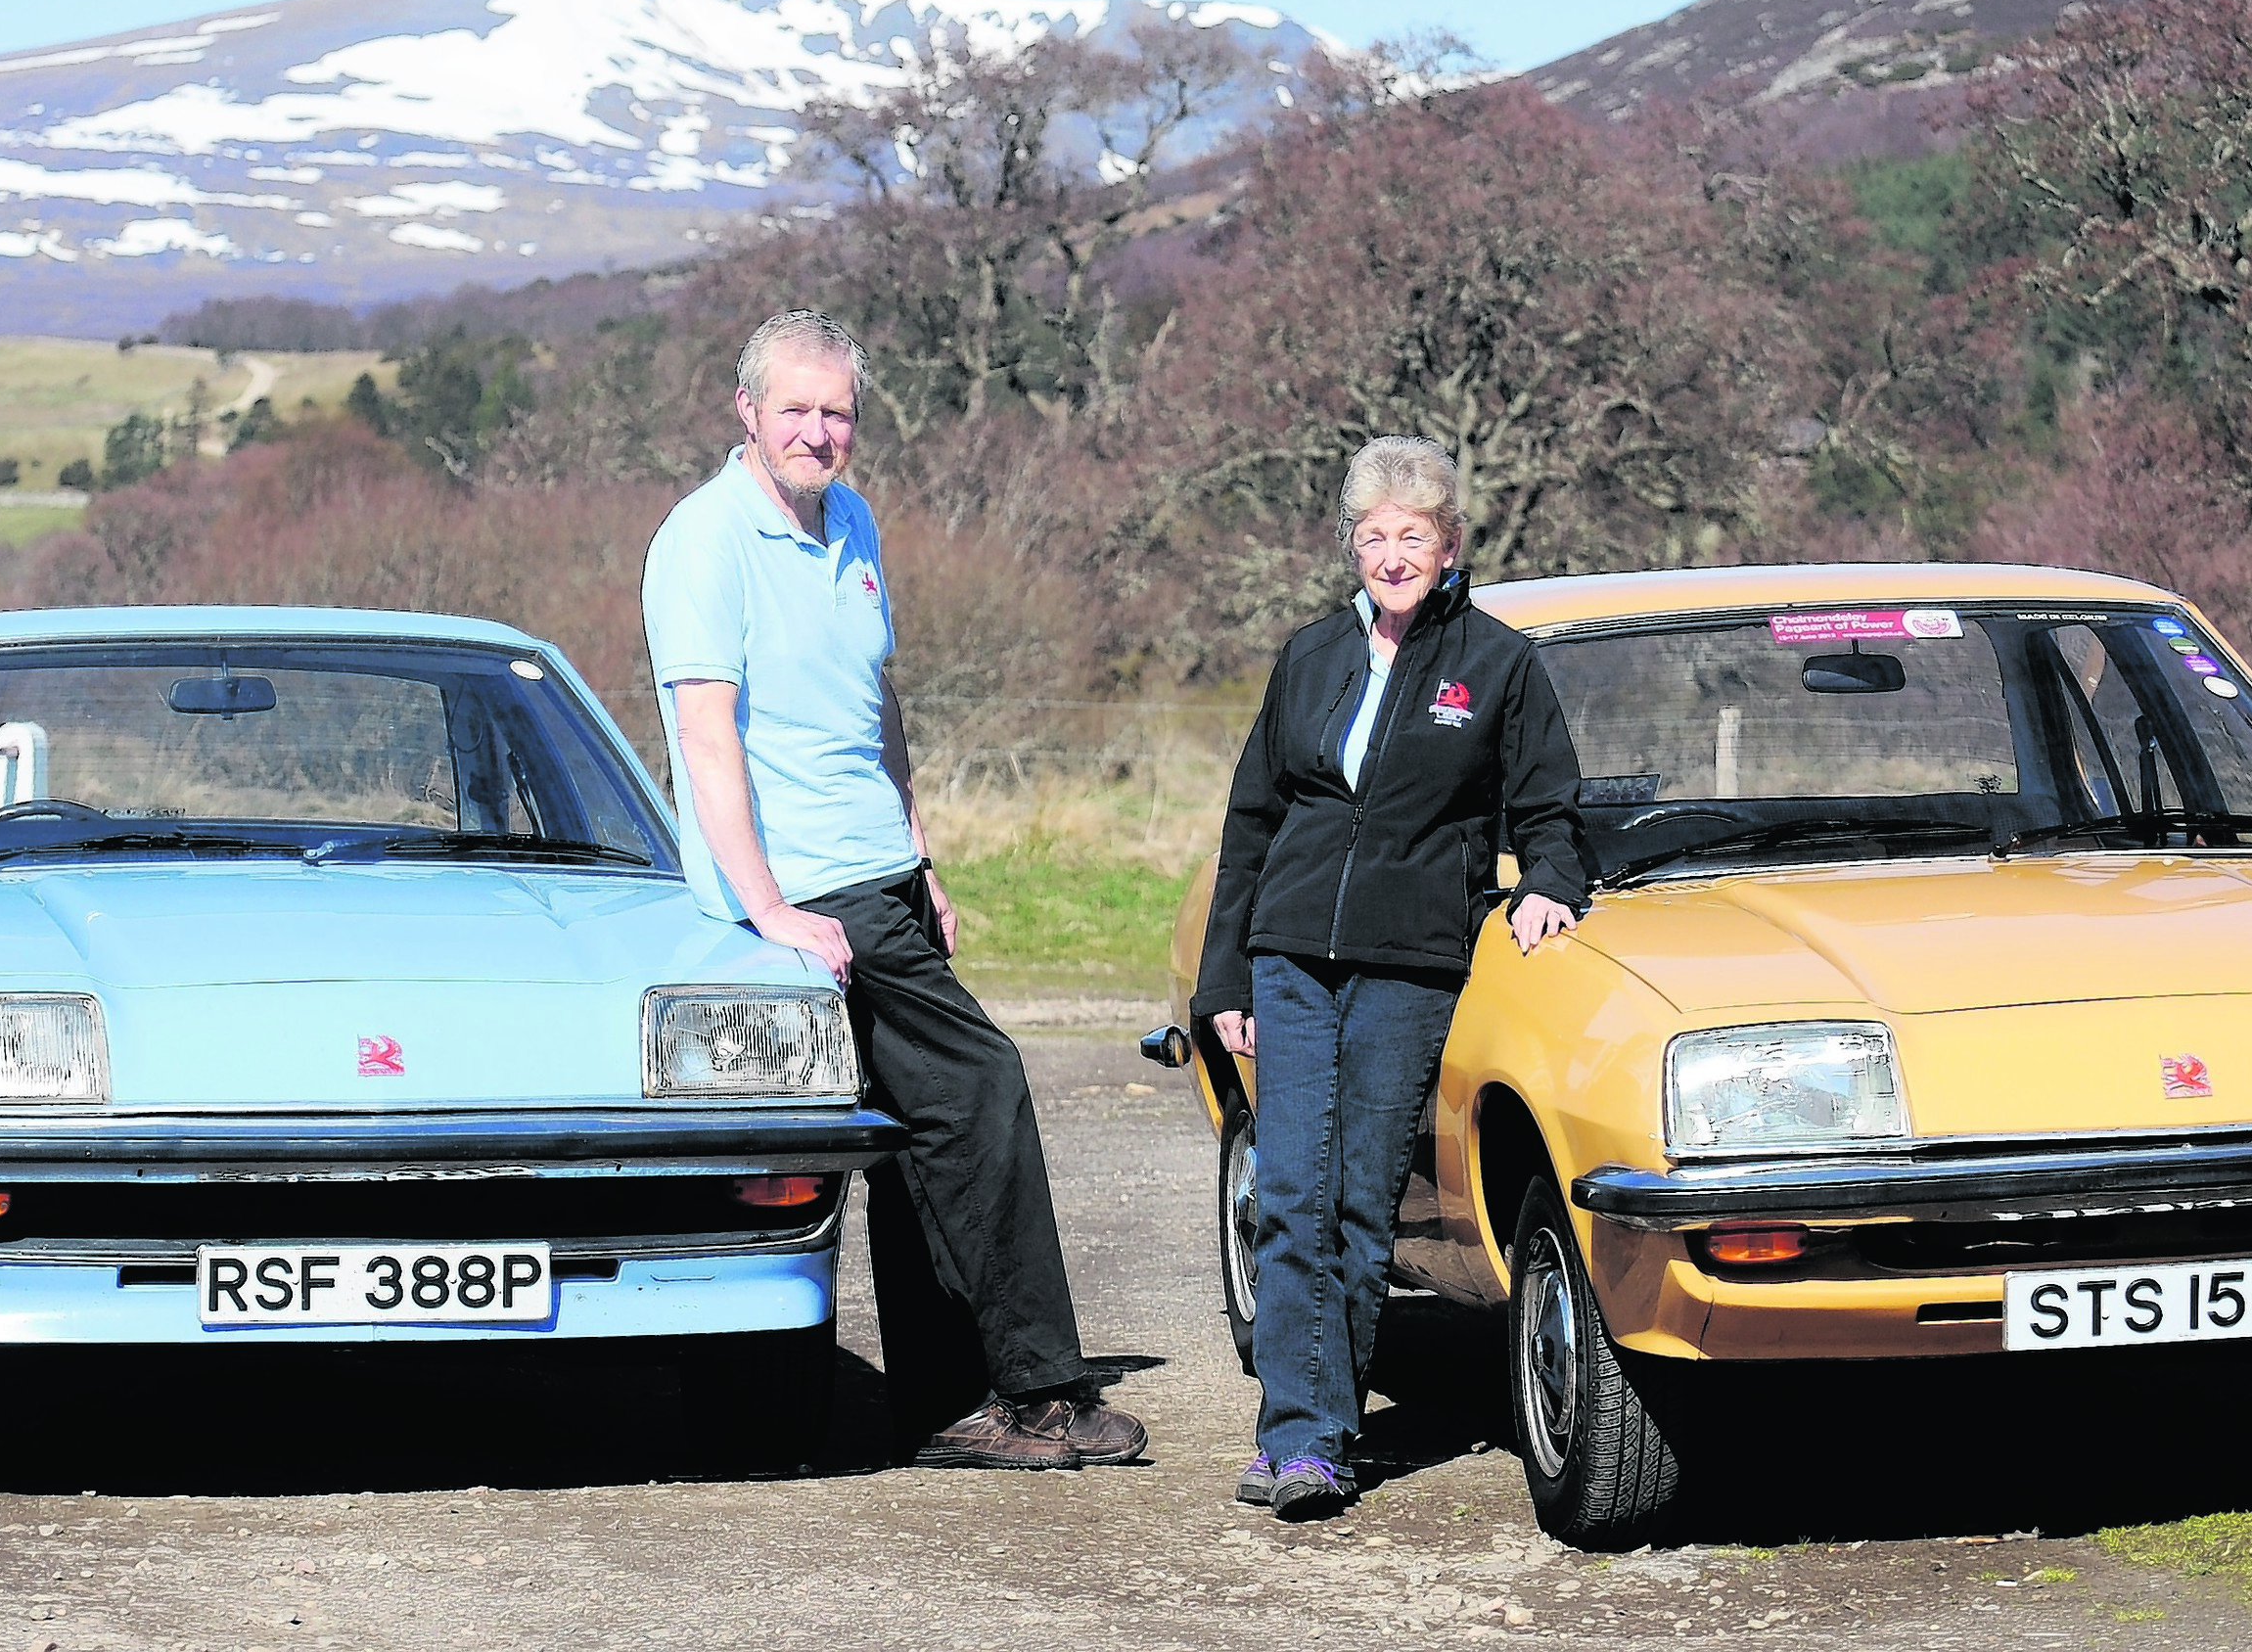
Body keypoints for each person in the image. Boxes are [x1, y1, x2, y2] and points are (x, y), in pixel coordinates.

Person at [641, 309, 1146, 1472]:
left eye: (837, 413)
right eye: (797, 410)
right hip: (812, 893)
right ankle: (1038, 1389)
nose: (819, 432)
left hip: (880, 876)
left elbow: (882, 707)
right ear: (746, 414)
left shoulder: (852, 522)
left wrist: (923, 858)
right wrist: (766, 907)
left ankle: (944, 1403)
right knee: (984, 1089)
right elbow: (707, 738)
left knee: (925, 1140)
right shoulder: (702, 542)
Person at [1190, 436, 1587, 1519]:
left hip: (1410, 965)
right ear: (1350, 547)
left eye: (1412, 535)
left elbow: (1550, 803)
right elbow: (1252, 821)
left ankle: (1320, 1435)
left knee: (1362, 1201)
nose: (1391, 553)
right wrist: (1223, 974)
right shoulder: (1309, 655)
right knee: (1288, 1195)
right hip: (1290, 958)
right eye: (1372, 536)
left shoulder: (1499, 664)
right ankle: (1299, 1437)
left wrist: (1550, 879)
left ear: (1451, 545)